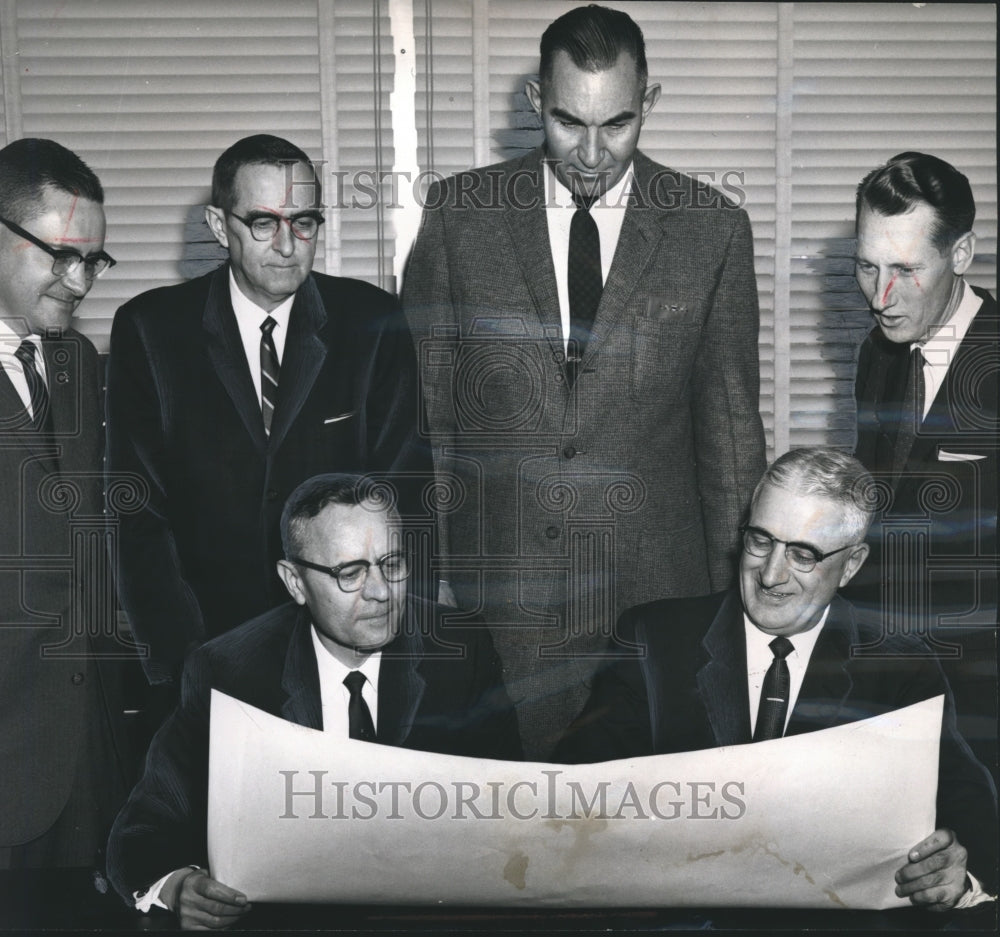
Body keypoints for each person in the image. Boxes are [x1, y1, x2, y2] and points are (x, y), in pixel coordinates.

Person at [402, 4, 765, 759]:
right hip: (501, 601)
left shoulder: (712, 229)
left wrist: (744, 598)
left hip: (658, 602)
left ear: (650, 103)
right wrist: (425, 581)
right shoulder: (460, 215)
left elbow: (730, 434)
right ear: (536, 100)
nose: (593, 154)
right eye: (569, 123)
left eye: (619, 125)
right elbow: (428, 417)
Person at [556, 448, 997, 909]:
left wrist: (956, 874)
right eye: (760, 541)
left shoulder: (900, 667)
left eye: (803, 554)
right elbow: (574, 796)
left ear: (851, 564)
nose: (770, 575)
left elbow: (972, 823)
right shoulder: (651, 638)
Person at [107, 473, 521, 929]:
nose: (381, 591)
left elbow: (509, 816)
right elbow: (142, 829)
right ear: (295, 582)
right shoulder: (231, 671)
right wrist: (177, 886)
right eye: (351, 572)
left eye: (393, 563)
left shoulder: (459, 652)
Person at [106, 134, 431, 689]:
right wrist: (185, 661)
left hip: (344, 649)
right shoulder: (151, 329)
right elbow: (139, 515)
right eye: (263, 222)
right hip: (205, 646)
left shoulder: (370, 321)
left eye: (303, 222)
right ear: (217, 225)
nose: (287, 244)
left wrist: (390, 650)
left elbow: (405, 492)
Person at [0, 138, 131, 869]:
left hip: (86, 765)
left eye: (93, 260)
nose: (79, 282)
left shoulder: (78, 363)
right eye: (59, 255)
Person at [851, 151, 998, 775]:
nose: (881, 297)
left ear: (960, 254)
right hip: (896, 680)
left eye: (906, 270)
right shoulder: (878, 353)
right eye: (866, 266)